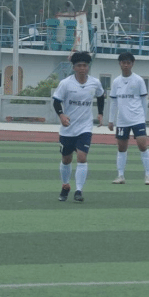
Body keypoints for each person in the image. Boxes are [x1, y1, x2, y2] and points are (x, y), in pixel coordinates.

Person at [52, 51, 105, 202]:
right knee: (66, 159)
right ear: (74, 67)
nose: (82, 68)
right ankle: (65, 185)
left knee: (82, 157)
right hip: (68, 128)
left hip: (85, 127)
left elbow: (101, 96)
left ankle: (79, 190)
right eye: (79, 65)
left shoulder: (95, 82)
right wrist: (61, 115)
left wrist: (100, 113)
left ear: (88, 67)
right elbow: (56, 101)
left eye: (85, 65)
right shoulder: (66, 83)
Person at [108, 52, 149, 185]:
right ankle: (120, 175)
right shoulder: (116, 81)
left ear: (132, 64)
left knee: (142, 145)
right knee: (121, 148)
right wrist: (111, 120)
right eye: (123, 63)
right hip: (122, 120)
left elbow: (144, 100)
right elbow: (113, 102)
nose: (126, 65)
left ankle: (148, 175)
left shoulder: (138, 80)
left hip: (137, 118)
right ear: (120, 64)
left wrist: (143, 117)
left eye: (128, 63)